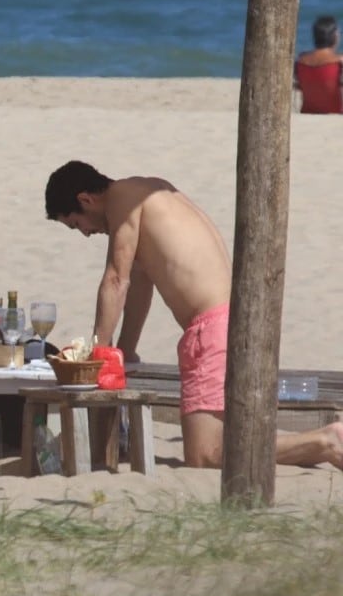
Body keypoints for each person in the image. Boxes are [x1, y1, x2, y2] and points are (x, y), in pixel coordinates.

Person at [44, 160, 343, 471]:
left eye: (77, 224)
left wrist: (97, 354)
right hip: (234, 322)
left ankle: (325, 441)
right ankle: (322, 443)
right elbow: (139, 283)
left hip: (211, 330)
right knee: (223, 441)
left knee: (206, 454)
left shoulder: (122, 200)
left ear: (85, 200)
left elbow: (116, 280)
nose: (86, 233)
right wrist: (124, 348)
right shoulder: (145, 191)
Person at [294, 16, 343, 114]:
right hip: (336, 113)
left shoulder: (300, 61)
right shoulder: (339, 62)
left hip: (307, 112)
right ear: (335, 37)